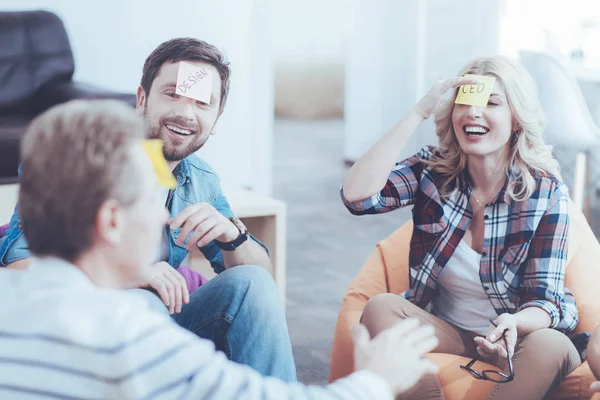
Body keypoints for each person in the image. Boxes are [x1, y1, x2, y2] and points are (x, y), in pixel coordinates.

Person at [0, 99, 440, 399]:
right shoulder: (126, 335)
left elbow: (257, 274)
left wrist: (233, 234)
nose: (161, 216)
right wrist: (374, 380)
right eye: (149, 201)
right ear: (111, 221)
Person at [0, 38, 295, 380]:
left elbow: (264, 276)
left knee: (252, 283)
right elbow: (19, 265)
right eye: (172, 94)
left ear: (216, 119)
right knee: (144, 300)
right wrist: (134, 274)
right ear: (142, 99)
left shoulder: (200, 181)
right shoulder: (84, 162)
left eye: (202, 102)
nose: (185, 113)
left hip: (163, 329)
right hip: (87, 335)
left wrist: (233, 234)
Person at [341, 56, 584, 399]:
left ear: (516, 120)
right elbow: (356, 197)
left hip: (518, 337)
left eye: (491, 103)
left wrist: (513, 324)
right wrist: (417, 114)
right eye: (465, 102)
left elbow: (545, 301)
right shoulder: (433, 171)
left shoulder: (545, 192)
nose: (473, 112)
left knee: (551, 343)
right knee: (380, 307)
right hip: (449, 329)